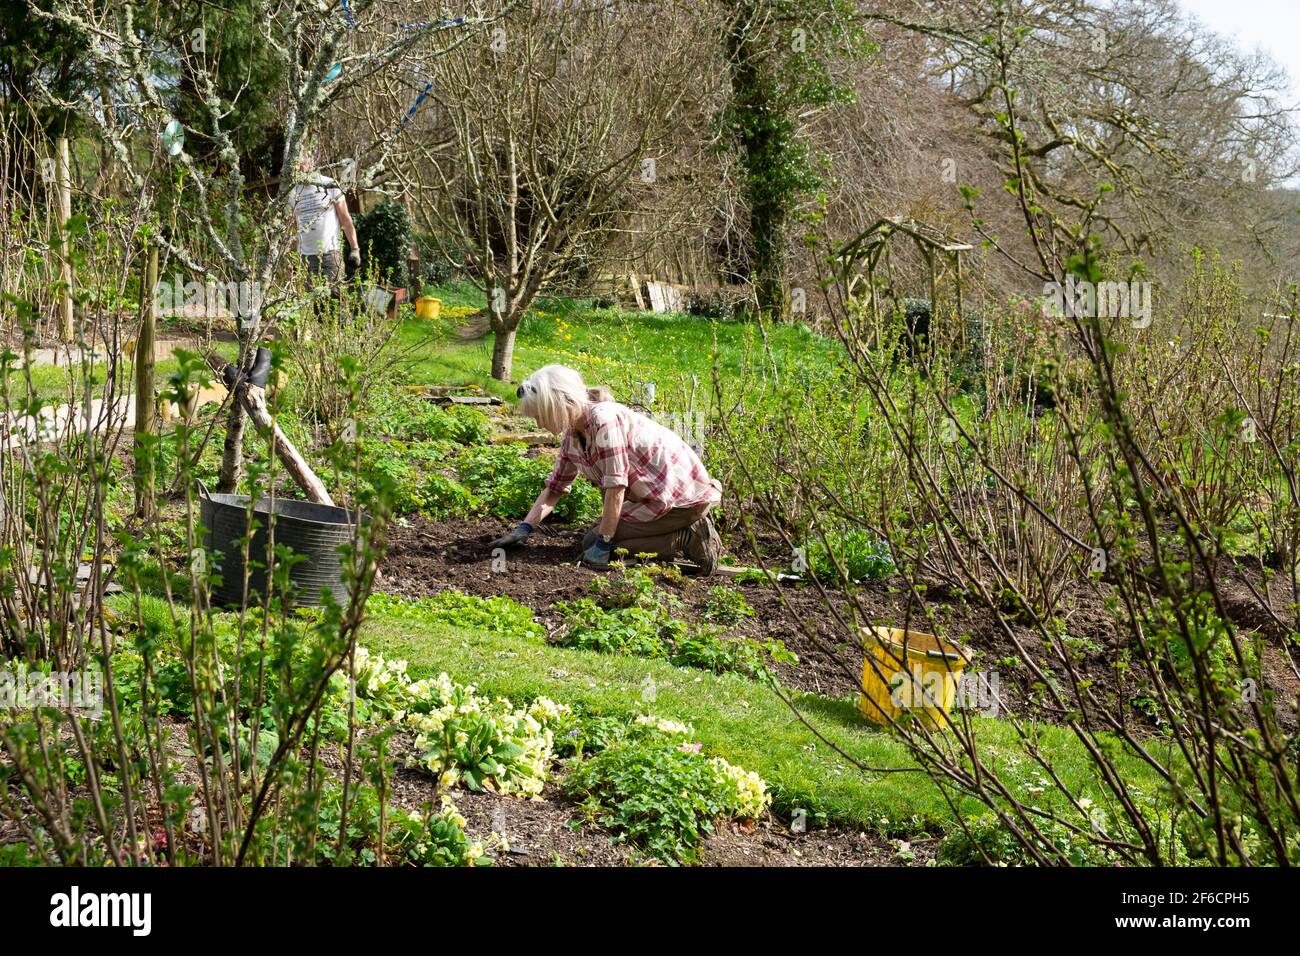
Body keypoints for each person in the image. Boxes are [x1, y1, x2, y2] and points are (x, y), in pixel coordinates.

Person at [491, 365, 721, 573]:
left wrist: (604, 541)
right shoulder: (573, 435)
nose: (539, 424)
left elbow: (616, 486)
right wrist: (525, 527)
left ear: (560, 404)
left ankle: (687, 537)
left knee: (597, 542)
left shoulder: (605, 421)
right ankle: (671, 533)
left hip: (681, 502)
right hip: (653, 499)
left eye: (540, 416)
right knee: (593, 538)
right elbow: (556, 487)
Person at [288, 155, 361, 284]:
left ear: (312, 165)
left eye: (302, 166)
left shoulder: (329, 185)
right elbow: (294, 225)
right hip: (305, 256)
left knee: (334, 298)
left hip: (330, 253)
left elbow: (345, 219)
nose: (299, 170)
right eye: (296, 168)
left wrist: (355, 249)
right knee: (311, 300)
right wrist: (294, 254)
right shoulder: (293, 193)